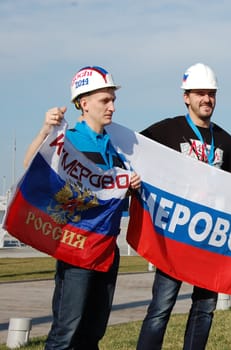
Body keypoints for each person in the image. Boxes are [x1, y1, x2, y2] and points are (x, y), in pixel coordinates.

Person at [24, 65, 141, 349]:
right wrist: (44, 131)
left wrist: (130, 185)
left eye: (113, 99)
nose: (112, 106)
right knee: (66, 332)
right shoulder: (70, 137)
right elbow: (31, 168)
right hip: (76, 248)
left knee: (94, 331)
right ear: (84, 103)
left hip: (107, 250)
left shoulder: (115, 147)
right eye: (105, 100)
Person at [137, 63, 231, 350]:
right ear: (186, 96)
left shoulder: (225, 139)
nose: (206, 99)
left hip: (210, 238)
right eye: (200, 93)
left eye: (211, 94)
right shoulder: (168, 130)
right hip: (175, 236)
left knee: (204, 309)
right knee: (161, 307)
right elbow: (131, 147)